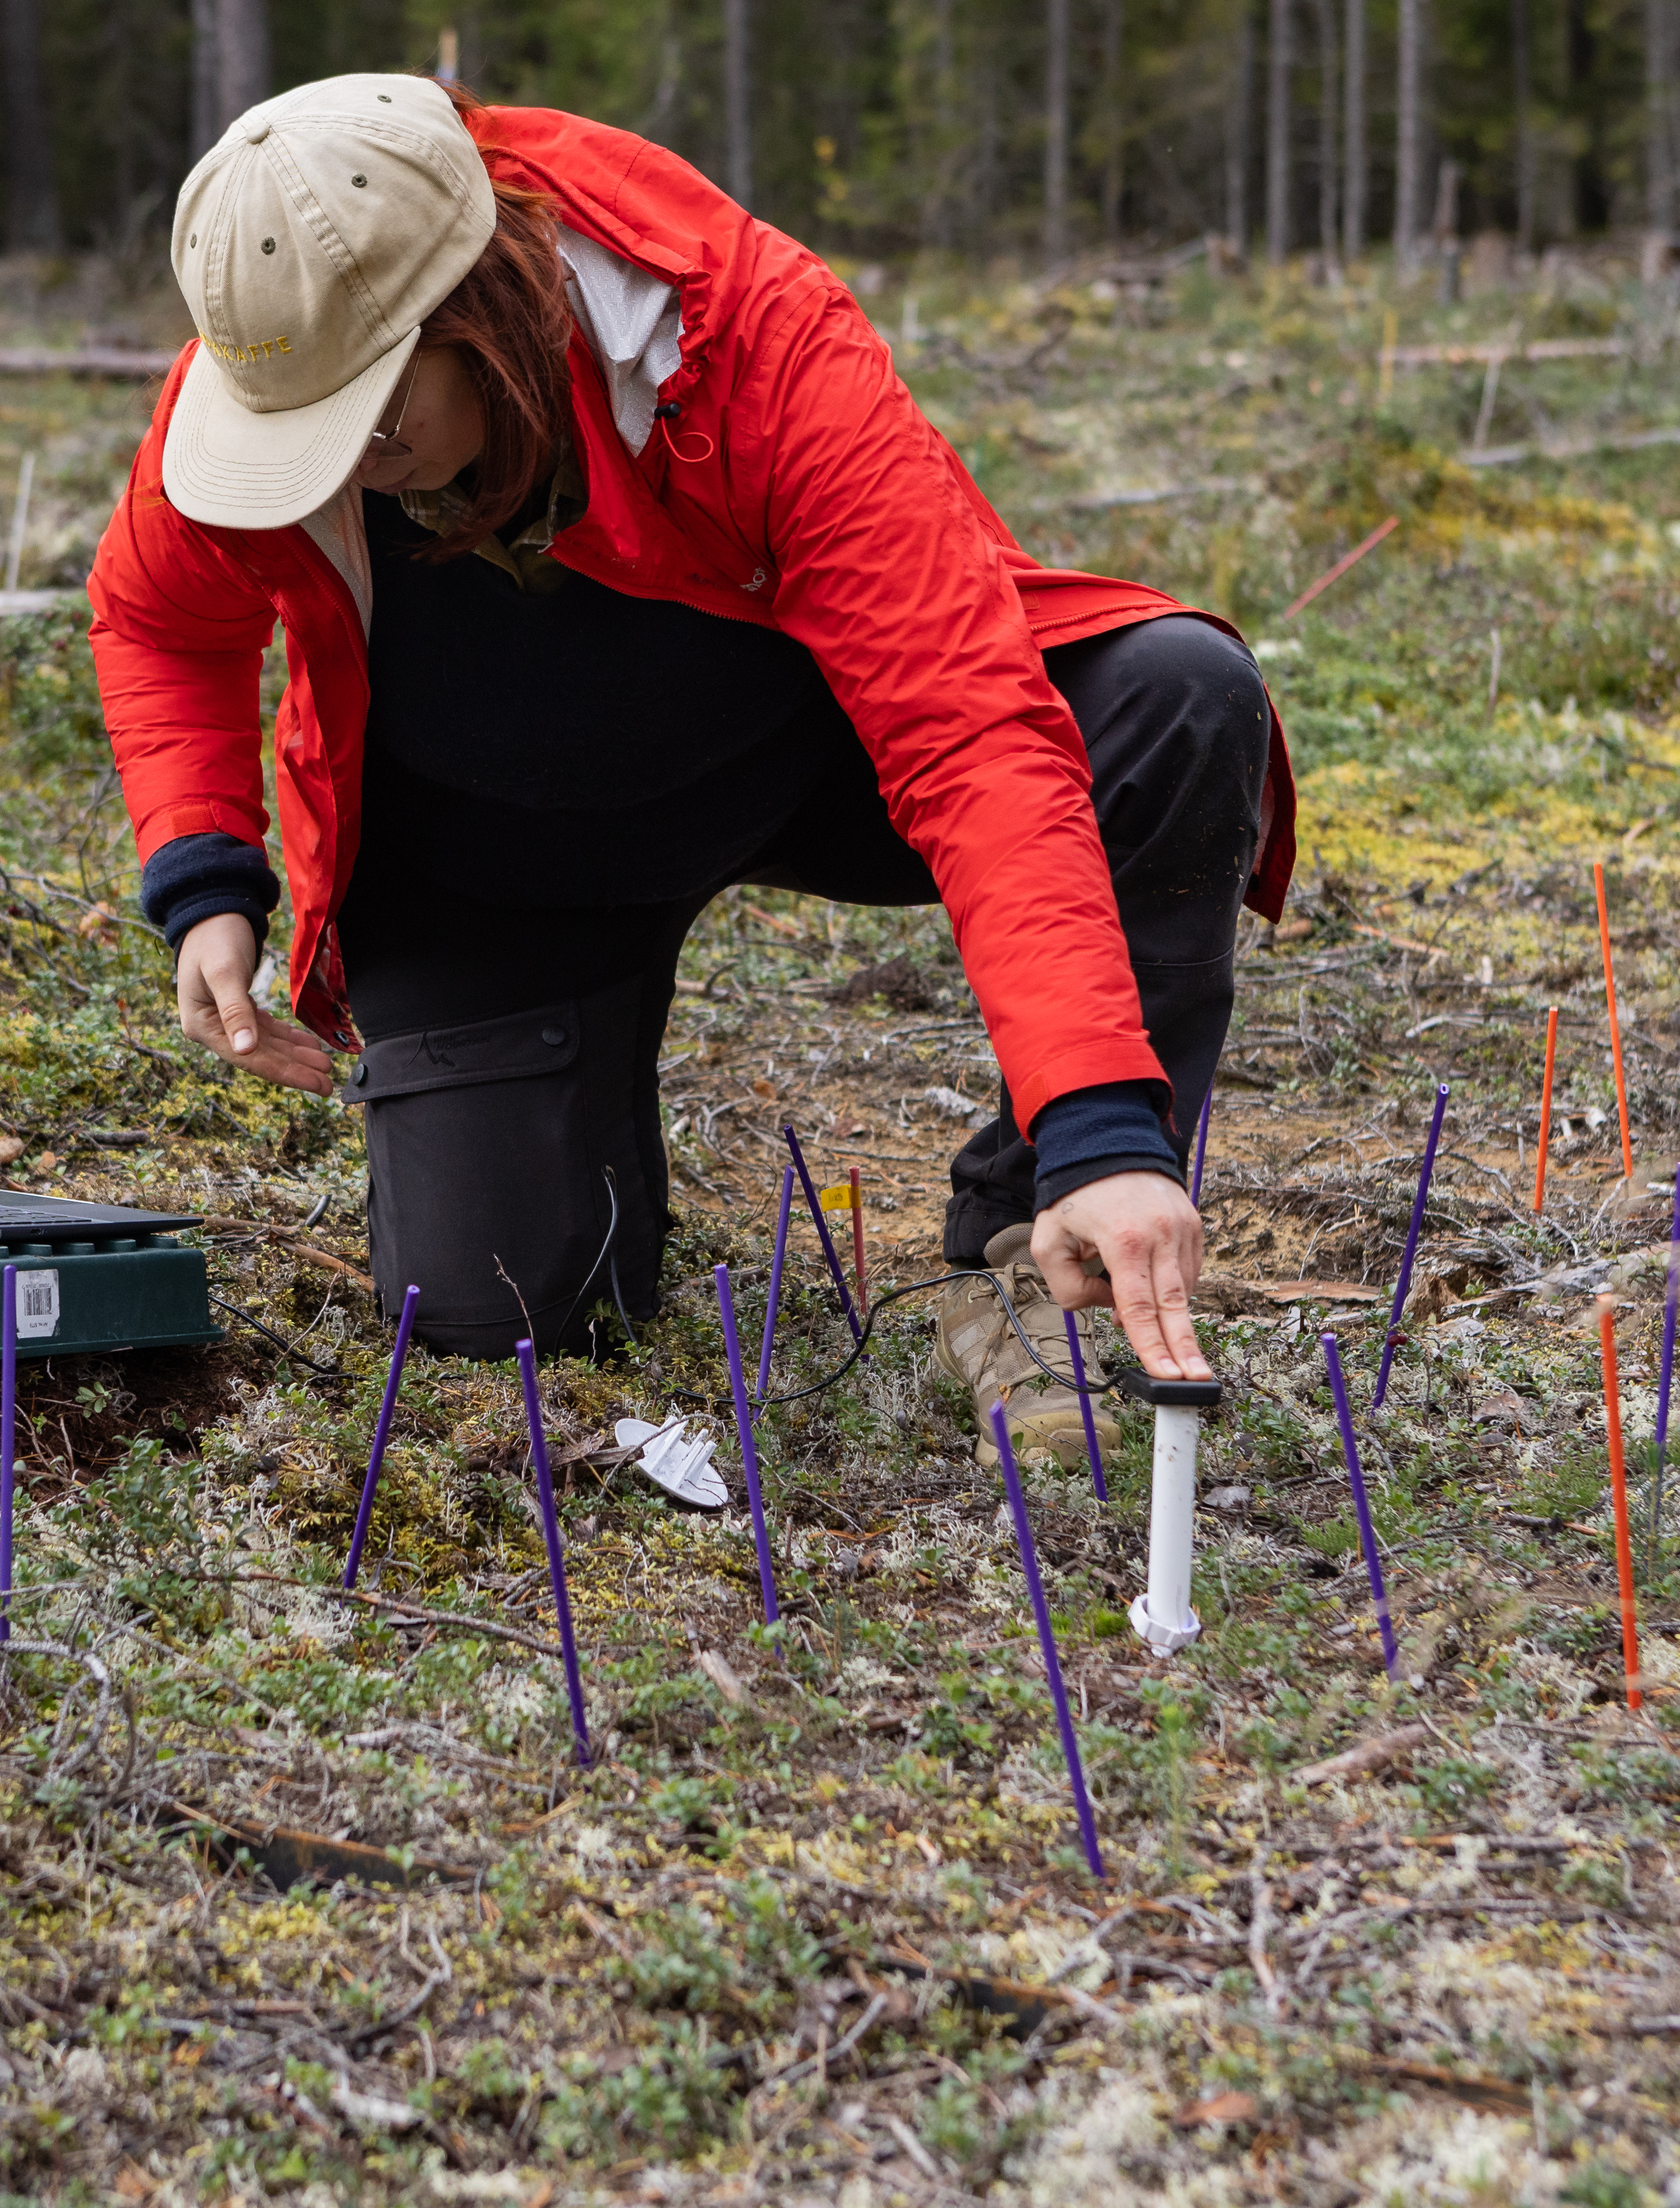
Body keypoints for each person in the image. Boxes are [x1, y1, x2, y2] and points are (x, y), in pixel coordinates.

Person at [87, 74, 1292, 1462]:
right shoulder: (269, 364)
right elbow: (160, 616)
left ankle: (1036, 1240)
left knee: (1178, 699)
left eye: (372, 412)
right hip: (495, 854)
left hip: (807, 754)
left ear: (479, 309)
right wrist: (203, 869)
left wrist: (1099, 1119)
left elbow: (965, 729)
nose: (341, 463)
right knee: (506, 1312)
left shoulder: (740, 333)